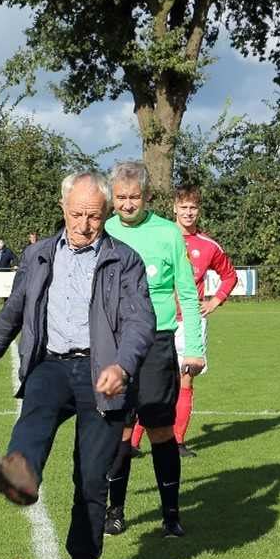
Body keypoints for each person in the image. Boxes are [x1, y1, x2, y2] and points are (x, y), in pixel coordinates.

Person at [0, 171, 155, 559]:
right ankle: (19, 474)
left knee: (90, 477)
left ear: (106, 215)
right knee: (36, 411)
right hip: (51, 363)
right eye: (77, 214)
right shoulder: (38, 256)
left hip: (103, 373)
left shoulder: (126, 260)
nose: (84, 225)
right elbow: (10, 316)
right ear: (63, 208)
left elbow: (142, 323)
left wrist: (122, 366)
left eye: (95, 217)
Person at [104, 161, 204, 539]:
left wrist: (193, 346)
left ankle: (171, 515)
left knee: (160, 429)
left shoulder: (167, 234)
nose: (127, 204)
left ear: (147, 197)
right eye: (120, 197)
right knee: (119, 428)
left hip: (158, 342)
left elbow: (188, 293)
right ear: (112, 198)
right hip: (114, 343)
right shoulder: (104, 230)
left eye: (134, 197)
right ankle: (115, 511)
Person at [131, 183, 238, 457]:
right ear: (174, 208)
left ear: (198, 210)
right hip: (158, 320)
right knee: (146, 380)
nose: (188, 212)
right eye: (184, 207)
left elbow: (230, 275)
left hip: (189, 322)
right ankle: (131, 443)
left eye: (193, 208)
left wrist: (215, 301)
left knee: (186, 380)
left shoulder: (208, 245)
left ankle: (176, 441)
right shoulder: (161, 235)